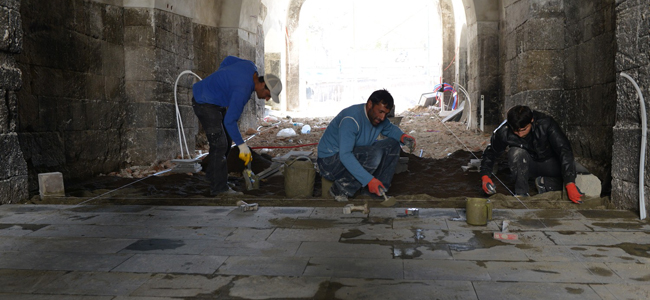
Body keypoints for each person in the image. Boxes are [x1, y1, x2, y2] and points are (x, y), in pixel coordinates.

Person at [192, 56, 282, 195]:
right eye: (268, 94)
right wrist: (242, 146)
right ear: (263, 85)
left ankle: (213, 178)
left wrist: (222, 81)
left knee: (226, 142)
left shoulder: (250, 66)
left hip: (213, 100)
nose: (267, 99)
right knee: (220, 144)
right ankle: (219, 190)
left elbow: (227, 60)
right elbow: (229, 121)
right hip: (204, 102)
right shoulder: (243, 90)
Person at [317, 89, 416, 202]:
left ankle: (376, 192)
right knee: (374, 154)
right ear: (370, 104)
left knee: (393, 145)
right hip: (329, 162)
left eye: (385, 114)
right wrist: (369, 180)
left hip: (351, 153)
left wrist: (403, 137)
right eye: (380, 112)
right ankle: (340, 189)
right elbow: (345, 155)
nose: (383, 117)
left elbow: (389, 128)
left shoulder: (377, 118)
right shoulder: (351, 119)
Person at [479, 105, 584, 203]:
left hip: (549, 163)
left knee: (574, 178)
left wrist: (570, 183)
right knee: (516, 152)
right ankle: (521, 193)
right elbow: (491, 152)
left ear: (532, 120)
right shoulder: (503, 131)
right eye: (516, 131)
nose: (520, 134)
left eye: (524, 129)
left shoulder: (546, 123)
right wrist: (485, 176)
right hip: (527, 165)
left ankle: (543, 182)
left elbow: (564, 150)